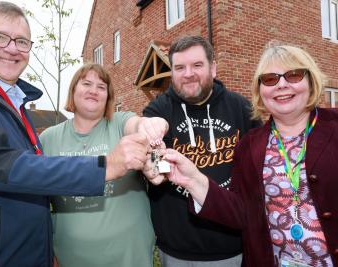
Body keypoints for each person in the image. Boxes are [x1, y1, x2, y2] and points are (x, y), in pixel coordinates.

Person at [0, 2, 159, 266]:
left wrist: (152, 133)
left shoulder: (17, 107)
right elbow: (2, 165)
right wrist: (107, 165)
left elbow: (39, 192)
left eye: (21, 41)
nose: (11, 48)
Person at [162, 45, 337, 266]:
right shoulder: (250, 144)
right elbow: (241, 212)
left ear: (311, 81)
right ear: (260, 90)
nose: (282, 84)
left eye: (293, 75)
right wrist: (192, 179)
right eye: (270, 79)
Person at [143, 35, 262, 266]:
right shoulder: (157, 110)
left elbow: (258, 176)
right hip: (176, 250)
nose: (188, 73)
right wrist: (150, 164)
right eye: (179, 67)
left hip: (230, 246)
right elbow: (153, 160)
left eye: (197, 65)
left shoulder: (242, 109)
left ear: (213, 68)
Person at [39, 63, 168, 267]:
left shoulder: (119, 122)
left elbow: (137, 126)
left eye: (101, 87)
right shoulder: (48, 138)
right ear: (73, 91)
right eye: (87, 83)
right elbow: (39, 202)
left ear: (108, 96)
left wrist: (151, 126)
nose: (93, 90)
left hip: (129, 255)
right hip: (71, 256)